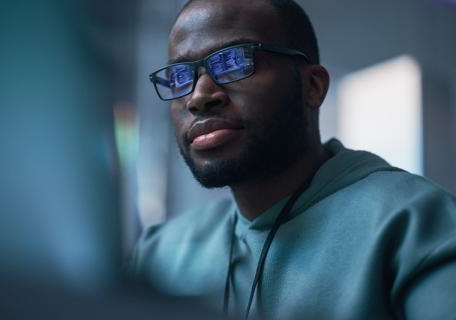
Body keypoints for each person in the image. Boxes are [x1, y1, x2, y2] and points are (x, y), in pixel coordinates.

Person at [131, 0, 456, 319]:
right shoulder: (160, 252)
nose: (199, 97)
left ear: (312, 86)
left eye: (234, 61)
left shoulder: (418, 224)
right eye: (178, 78)